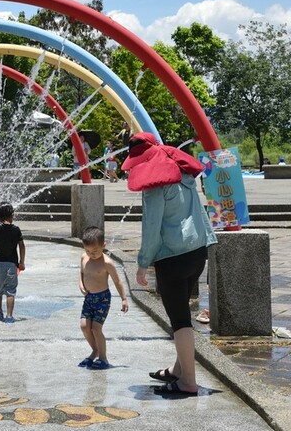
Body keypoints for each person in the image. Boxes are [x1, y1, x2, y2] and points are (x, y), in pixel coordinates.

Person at [121, 132, 217, 395]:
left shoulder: (155, 184)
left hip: (171, 257)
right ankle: (179, 370)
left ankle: (188, 382)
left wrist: (143, 262)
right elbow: (198, 212)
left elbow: (151, 227)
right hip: (197, 252)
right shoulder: (183, 172)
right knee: (183, 313)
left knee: (180, 321)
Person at [78, 226, 128, 370]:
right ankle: (95, 350)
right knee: (84, 326)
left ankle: (103, 358)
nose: (91, 254)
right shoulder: (84, 257)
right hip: (89, 298)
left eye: (95, 251)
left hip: (102, 299)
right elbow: (81, 272)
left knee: (96, 328)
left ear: (103, 245)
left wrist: (124, 298)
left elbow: (117, 281)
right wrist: (81, 285)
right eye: (88, 251)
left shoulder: (107, 263)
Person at [0, 202, 25, 323]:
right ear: (10, 215)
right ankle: (9, 316)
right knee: (10, 291)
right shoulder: (16, 229)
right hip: (11, 264)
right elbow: (22, 246)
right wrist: (22, 262)